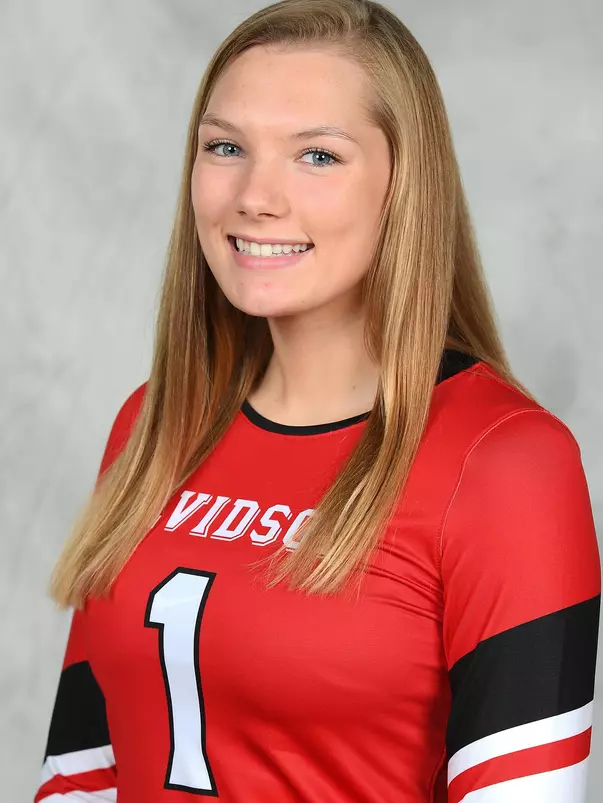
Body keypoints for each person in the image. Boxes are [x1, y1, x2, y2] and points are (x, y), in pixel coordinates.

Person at [34, 0, 600, 801]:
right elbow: (82, 774)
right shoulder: (153, 422)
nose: (254, 197)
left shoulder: (506, 462)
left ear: (404, 185)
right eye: (225, 147)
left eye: (317, 157)